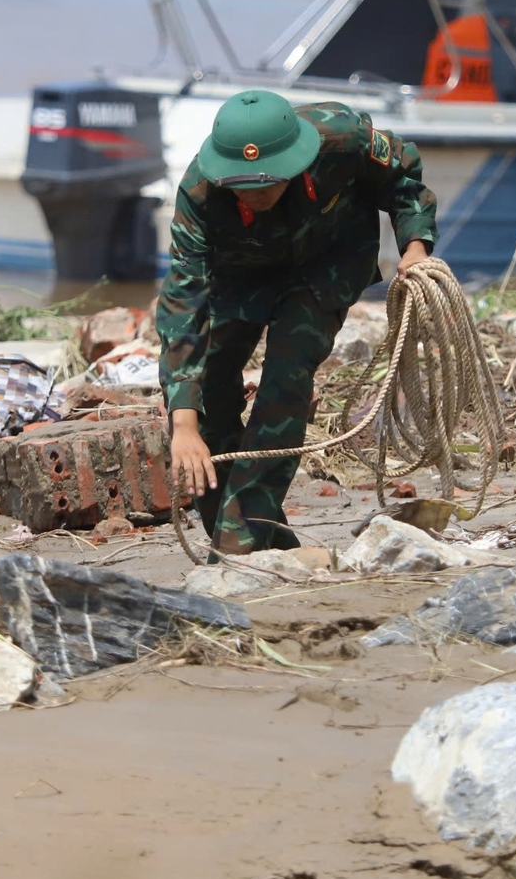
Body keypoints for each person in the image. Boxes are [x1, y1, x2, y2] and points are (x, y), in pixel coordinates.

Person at [156, 89, 438, 556]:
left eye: (268, 181)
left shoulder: (343, 138)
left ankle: (238, 541)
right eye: (243, 185)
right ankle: (266, 535)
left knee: (286, 377)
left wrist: (415, 247)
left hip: (326, 264)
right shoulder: (200, 194)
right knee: (206, 393)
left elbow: (403, 175)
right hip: (240, 274)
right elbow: (185, 301)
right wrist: (183, 423)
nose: (257, 193)